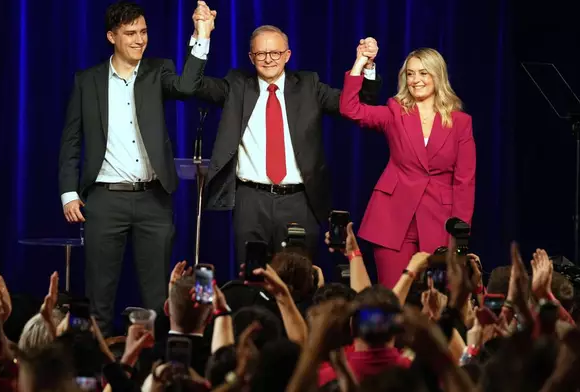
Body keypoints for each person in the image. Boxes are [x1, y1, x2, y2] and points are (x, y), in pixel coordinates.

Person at [58, 0, 215, 335]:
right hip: (104, 199)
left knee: (159, 297)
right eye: (130, 33)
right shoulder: (87, 81)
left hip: (153, 201)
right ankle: (96, 377)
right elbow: (71, 139)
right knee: (99, 298)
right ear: (111, 36)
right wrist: (69, 193)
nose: (139, 39)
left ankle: (156, 377)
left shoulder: (158, 71)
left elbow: (187, 87)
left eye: (143, 32)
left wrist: (202, 34)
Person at [191, 4, 382, 264]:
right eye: (261, 53)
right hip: (250, 200)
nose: (269, 59)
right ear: (250, 57)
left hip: (299, 201)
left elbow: (359, 107)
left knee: (298, 281)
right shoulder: (236, 85)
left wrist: (364, 65)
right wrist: (202, 36)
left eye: (275, 53)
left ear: (288, 55)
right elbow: (192, 86)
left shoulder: (309, 86)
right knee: (251, 279)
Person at [339, 42, 476, 288]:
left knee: (434, 303)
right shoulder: (395, 111)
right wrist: (360, 63)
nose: (416, 80)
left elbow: (465, 181)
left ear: (437, 76)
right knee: (394, 299)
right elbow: (350, 109)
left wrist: (460, 235)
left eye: (423, 73)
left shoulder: (460, 122)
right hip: (392, 219)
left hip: (439, 220)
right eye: (410, 74)